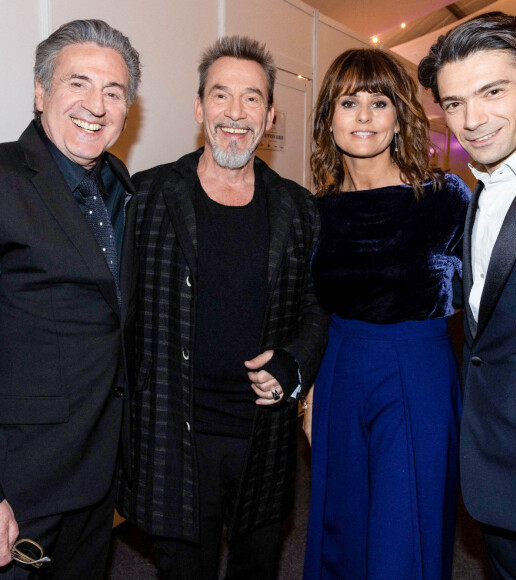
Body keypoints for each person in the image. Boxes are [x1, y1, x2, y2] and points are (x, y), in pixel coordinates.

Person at [116, 35, 329, 580]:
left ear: (271, 113)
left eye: (252, 98)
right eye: (221, 96)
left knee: (257, 569)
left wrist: (294, 364)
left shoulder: (299, 209)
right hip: (173, 437)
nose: (236, 114)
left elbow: (318, 302)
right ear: (198, 108)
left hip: (264, 439)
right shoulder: (146, 197)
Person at [418, 11, 516, 579]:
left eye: (492, 91)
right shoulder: (480, 189)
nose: (472, 120)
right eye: (454, 102)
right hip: (496, 483)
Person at [302, 47, 470, 579]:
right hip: (339, 372)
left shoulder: (444, 197)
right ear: (329, 116)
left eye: (380, 102)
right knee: (341, 526)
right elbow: (314, 306)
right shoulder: (317, 210)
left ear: (400, 116)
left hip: (416, 372)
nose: (365, 117)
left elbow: (485, 296)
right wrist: (308, 390)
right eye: (349, 102)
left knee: (405, 533)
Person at [0, 19, 140, 579]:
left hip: (97, 473)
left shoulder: (121, 184)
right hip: (20, 481)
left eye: (113, 92)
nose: (96, 105)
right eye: (77, 83)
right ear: (40, 92)